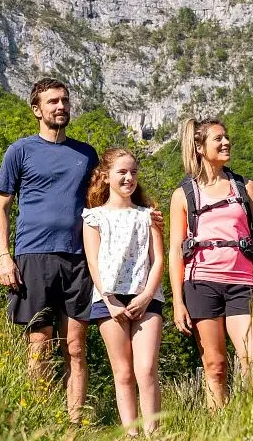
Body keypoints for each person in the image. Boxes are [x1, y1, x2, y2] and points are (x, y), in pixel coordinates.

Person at [0, 78, 98, 423]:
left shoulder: (87, 154)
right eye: (53, 101)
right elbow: (1, 208)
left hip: (79, 259)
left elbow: (102, 203)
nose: (61, 107)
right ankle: (40, 419)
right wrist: (4, 257)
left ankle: (74, 424)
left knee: (76, 348)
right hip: (32, 257)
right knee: (39, 345)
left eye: (65, 101)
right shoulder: (19, 151)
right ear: (37, 109)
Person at [168, 118, 253, 409]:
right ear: (200, 147)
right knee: (215, 365)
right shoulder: (183, 194)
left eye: (227, 137)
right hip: (200, 283)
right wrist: (178, 302)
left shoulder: (244, 187)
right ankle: (219, 425)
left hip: (242, 283)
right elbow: (176, 251)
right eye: (218, 139)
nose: (226, 142)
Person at [82, 148, 164, 437]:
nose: (129, 178)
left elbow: (158, 261)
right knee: (124, 373)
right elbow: (93, 262)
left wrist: (146, 296)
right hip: (109, 301)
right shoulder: (93, 217)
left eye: (133, 172)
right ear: (105, 177)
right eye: (122, 172)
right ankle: (131, 433)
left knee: (146, 369)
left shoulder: (148, 215)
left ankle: (153, 432)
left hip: (147, 298)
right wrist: (110, 300)